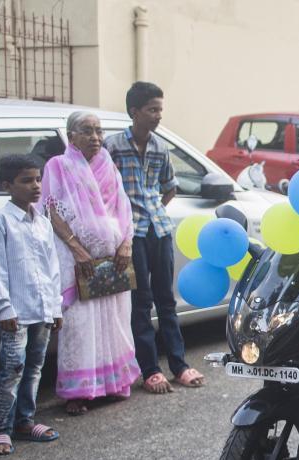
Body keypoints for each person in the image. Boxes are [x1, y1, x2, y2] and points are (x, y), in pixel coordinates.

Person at [104, 81, 204, 394]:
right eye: (152, 110)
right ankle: (149, 370)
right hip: (130, 235)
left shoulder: (161, 147)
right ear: (134, 111)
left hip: (159, 230)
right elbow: (102, 188)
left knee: (166, 300)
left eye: (160, 109)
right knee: (140, 302)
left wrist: (155, 209)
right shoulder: (113, 146)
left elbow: (169, 185)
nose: (158, 115)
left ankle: (179, 365)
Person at [40, 112, 142, 415]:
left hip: (113, 261)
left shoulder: (108, 164)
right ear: (71, 136)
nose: (95, 137)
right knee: (80, 327)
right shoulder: (57, 166)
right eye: (87, 131)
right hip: (78, 260)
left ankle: (113, 384)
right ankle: (79, 392)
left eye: (99, 131)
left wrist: (126, 244)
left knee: (114, 322)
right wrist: (76, 248)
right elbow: (51, 209)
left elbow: (123, 207)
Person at [0, 155, 63, 455]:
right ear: (7, 185)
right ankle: (1, 429)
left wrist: (56, 307)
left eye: (38, 179)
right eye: (26, 180)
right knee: (12, 368)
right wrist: (3, 308)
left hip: (41, 310)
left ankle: (25, 421)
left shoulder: (42, 223)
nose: (36, 185)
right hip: (16, 313)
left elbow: (52, 268)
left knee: (35, 367)